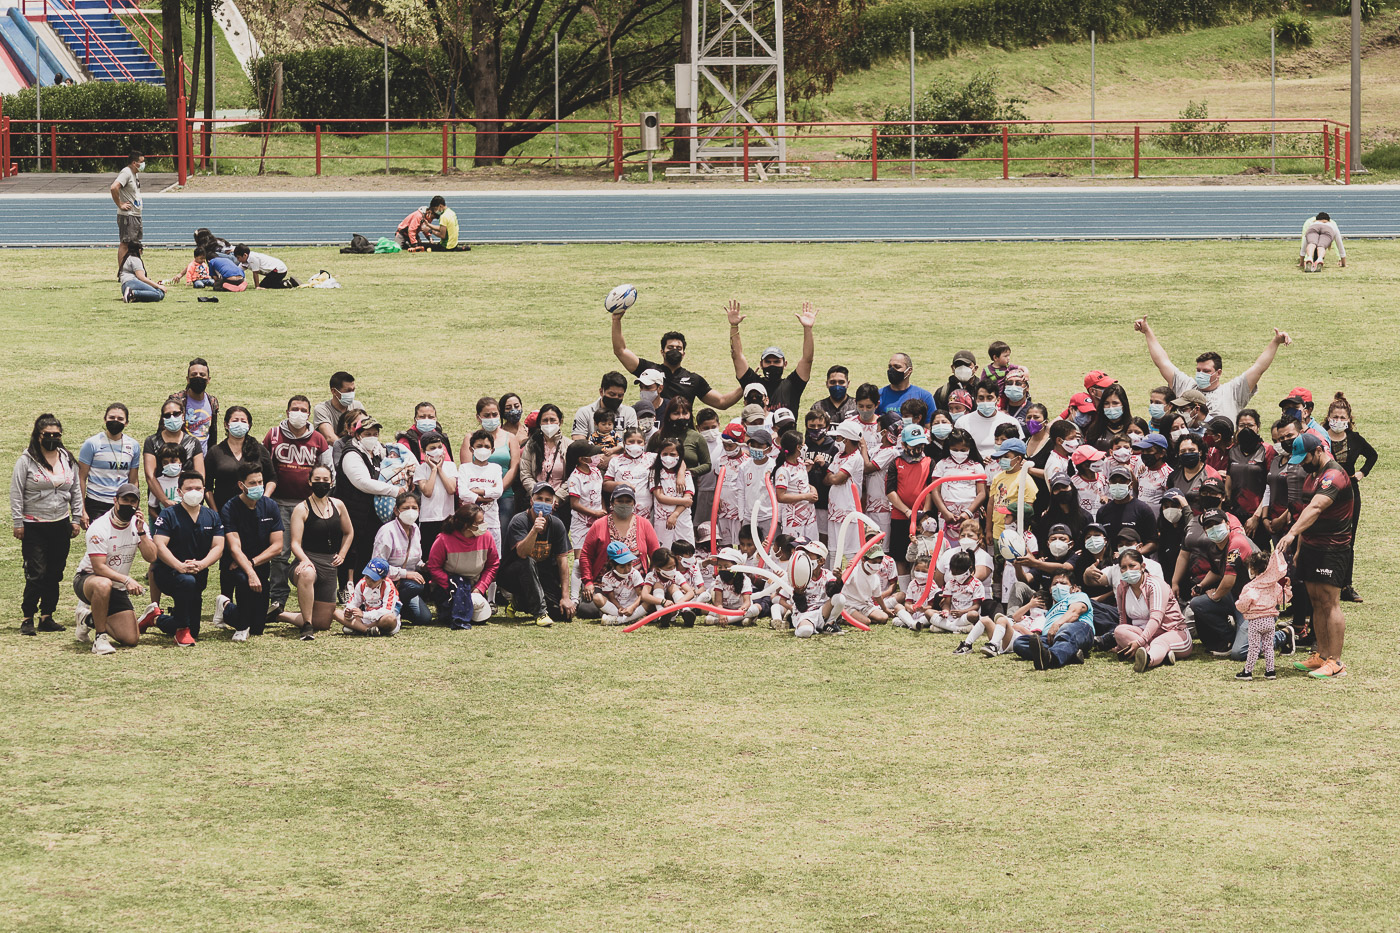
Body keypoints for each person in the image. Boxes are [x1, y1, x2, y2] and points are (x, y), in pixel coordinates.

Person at [1278, 433, 1355, 679]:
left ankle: (1336, 661)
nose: (1302, 463)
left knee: (1329, 602)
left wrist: (1290, 534)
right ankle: (1321, 655)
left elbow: (1316, 508)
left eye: (1305, 458)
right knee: (1315, 601)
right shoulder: (1312, 476)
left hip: (1332, 549)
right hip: (1311, 547)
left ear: (1318, 451)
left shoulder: (1334, 476)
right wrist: (1300, 549)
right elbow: (1305, 515)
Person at [1134, 316, 1292, 422]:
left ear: (1219, 373)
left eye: (1206, 371)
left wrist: (1275, 342)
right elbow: (1162, 361)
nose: (1200, 374)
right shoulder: (1186, 386)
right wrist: (1147, 332)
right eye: (1198, 370)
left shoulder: (1233, 391)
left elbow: (1258, 368)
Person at [10, 415, 83, 636]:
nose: (52, 438)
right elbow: (16, 492)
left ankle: (47, 616)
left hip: (60, 524)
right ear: (38, 435)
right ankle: (27, 617)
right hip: (34, 524)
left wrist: (76, 518)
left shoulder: (66, 458)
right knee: (36, 573)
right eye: (47, 435)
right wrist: (17, 521)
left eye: (56, 435)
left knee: (55, 572)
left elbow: (76, 490)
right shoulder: (27, 460)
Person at [72, 483, 158, 655]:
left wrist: (141, 533)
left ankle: (87, 619)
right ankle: (100, 638)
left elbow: (152, 557)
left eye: (133, 501)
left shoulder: (137, 525)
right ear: (115, 501)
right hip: (88, 579)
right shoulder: (99, 527)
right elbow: (99, 567)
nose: (129, 504)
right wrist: (126, 580)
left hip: (116, 586)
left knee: (131, 639)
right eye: (125, 499)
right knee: (103, 584)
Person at [263, 396, 328, 617]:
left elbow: (329, 470)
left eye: (303, 409)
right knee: (280, 553)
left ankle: (314, 596)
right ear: (287, 410)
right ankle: (278, 599)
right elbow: (264, 467)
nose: (298, 413)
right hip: (280, 503)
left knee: (312, 550)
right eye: (294, 409)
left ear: (309, 414)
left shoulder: (318, 439)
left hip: (309, 505)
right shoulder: (273, 435)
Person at [149, 471, 224, 647]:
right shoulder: (168, 515)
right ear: (179, 491)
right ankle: (181, 631)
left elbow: (218, 546)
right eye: (188, 488)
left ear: (204, 490)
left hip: (198, 574)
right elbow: (160, 545)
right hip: (169, 573)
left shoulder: (212, 516)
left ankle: (156, 620)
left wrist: (202, 564)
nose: (194, 492)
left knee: (194, 629)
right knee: (186, 581)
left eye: (198, 488)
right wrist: (179, 566)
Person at [279, 464, 353, 640]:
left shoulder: (338, 505)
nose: (322, 483)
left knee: (324, 622)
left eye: (325, 480)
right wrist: (305, 560)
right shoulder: (301, 508)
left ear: (331, 482)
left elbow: (349, 532)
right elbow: (295, 543)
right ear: (310, 481)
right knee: (307, 574)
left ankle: (280, 614)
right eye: (317, 480)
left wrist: (342, 554)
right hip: (308, 559)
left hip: (330, 564)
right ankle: (307, 625)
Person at [610, 307, 734, 408]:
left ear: (684, 354)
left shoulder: (694, 380)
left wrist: (746, 381)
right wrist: (616, 320)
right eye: (670, 348)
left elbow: (721, 402)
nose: (674, 350)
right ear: (662, 352)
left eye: (678, 348)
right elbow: (621, 351)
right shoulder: (649, 371)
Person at [216, 463, 285, 642]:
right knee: (244, 582)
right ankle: (239, 624)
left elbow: (277, 546)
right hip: (234, 566)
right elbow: (234, 547)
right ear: (242, 485)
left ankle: (225, 607)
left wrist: (253, 564)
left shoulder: (270, 505)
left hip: (258, 565)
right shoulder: (230, 508)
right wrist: (249, 571)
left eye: (260, 482)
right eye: (252, 483)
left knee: (258, 628)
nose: (258, 487)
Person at [500, 483, 576, 625]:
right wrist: (534, 531)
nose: (543, 503)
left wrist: (565, 596)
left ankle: (520, 602)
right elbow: (522, 553)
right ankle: (540, 613)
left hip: (541, 577)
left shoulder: (557, 525)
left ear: (554, 503)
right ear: (531, 501)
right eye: (539, 498)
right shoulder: (519, 521)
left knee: (562, 614)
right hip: (514, 575)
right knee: (528, 562)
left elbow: (563, 561)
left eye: (548, 500)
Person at [1323, 392, 1373, 602]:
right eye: (1336, 417)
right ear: (1328, 417)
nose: (1339, 421)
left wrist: (1361, 473)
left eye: (1343, 418)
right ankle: (1325, 581)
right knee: (1324, 537)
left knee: (1348, 540)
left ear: (1349, 419)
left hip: (1350, 493)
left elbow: (1373, 455)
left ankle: (1346, 585)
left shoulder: (1354, 439)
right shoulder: (1321, 436)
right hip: (1325, 492)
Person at [725, 299, 817, 413]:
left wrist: (808, 328)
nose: (772, 365)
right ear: (761, 365)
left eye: (776, 361)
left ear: (785, 364)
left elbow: (807, 360)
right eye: (768, 362)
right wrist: (734, 326)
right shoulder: (753, 384)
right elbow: (737, 356)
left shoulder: (793, 385)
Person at [334, 413, 396, 578]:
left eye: (375, 434)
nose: (372, 437)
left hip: (369, 514)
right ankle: (347, 587)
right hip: (352, 513)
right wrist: (394, 490)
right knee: (351, 553)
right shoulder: (351, 454)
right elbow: (363, 482)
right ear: (358, 435)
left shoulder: (377, 451)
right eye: (367, 434)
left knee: (367, 552)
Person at [1111, 547, 1192, 673]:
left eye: (1132, 566)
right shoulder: (1122, 588)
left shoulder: (1155, 585)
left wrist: (1139, 641)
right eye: (1123, 567)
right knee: (1119, 631)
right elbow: (1123, 618)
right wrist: (1120, 644)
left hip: (1172, 631)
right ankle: (1161, 655)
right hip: (1144, 634)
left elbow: (1156, 618)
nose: (1128, 571)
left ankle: (1149, 658)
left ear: (1142, 566)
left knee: (1159, 643)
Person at [579, 484, 660, 598]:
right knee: (588, 609)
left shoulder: (644, 524)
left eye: (628, 501)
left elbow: (657, 555)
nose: (624, 505)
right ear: (612, 503)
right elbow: (586, 555)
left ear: (634, 503)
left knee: (653, 600)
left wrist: (651, 580)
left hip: (637, 584)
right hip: (604, 584)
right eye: (620, 501)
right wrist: (588, 582)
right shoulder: (599, 525)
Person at [427, 504, 499, 629]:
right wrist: (454, 586)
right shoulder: (444, 539)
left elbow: (493, 565)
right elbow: (433, 567)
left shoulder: (486, 537)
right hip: (449, 588)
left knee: (481, 618)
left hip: (474, 587)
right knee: (447, 618)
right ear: (466, 525)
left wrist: (480, 588)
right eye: (479, 522)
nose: (484, 525)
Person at [368, 491, 432, 625]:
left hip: (404, 584)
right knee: (416, 586)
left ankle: (397, 609)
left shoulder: (415, 529)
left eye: (414, 508)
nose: (411, 511)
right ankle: (381, 606)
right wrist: (406, 574)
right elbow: (376, 566)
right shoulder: (387, 531)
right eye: (406, 508)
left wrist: (423, 566)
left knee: (424, 618)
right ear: (396, 511)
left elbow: (415, 559)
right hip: (388, 582)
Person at [460, 397, 521, 534]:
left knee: (502, 535)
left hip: (504, 495)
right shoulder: (470, 438)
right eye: (487, 415)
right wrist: (482, 496)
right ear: (478, 417)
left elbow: (513, 467)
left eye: (495, 414)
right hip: (476, 497)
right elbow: (467, 467)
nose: (491, 418)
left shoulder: (510, 437)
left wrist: (497, 491)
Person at [1010, 571, 1094, 670]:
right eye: (1055, 584)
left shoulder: (1078, 596)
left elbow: (1075, 611)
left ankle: (1051, 658)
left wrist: (1058, 624)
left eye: (1063, 583)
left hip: (1078, 629)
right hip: (1050, 638)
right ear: (1050, 589)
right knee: (1020, 643)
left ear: (1074, 588)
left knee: (1066, 630)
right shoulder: (1049, 610)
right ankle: (1069, 655)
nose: (1058, 586)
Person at [77, 403, 140, 526]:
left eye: (120, 419)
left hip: (123, 502)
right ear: (105, 419)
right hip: (96, 503)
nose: (115, 421)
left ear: (126, 422)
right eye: (111, 418)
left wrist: (135, 505)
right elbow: (81, 478)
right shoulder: (92, 444)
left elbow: (133, 480)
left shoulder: (133, 445)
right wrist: (82, 510)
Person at [1234, 549, 1290, 680]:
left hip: (1255, 621)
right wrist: (1287, 588)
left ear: (1252, 568)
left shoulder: (1251, 587)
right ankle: (1270, 671)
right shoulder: (1273, 585)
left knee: (1253, 648)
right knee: (1268, 647)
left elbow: (1243, 604)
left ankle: (1248, 671)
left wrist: (1240, 606)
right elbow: (1282, 599)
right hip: (1270, 621)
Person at [459, 427, 507, 555]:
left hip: (491, 522)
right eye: (479, 446)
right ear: (471, 449)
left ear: (492, 450)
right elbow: (463, 493)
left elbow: (498, 492)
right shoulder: (465, 468)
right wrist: (483, 497)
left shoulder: (496, 469)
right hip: (469, 524)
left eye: (486, 446)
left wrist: (476, 490)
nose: (483, 449)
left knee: (493, 558)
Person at [412, 430, 457, 564]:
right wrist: (433, 470)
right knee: (429, 555)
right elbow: (427, 491)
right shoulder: (421, 469)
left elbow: (451, 489)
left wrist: (441, 469)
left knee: (448, 555)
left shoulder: (450, 466)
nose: (437, 451)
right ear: (424, 450)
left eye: (439, 447)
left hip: (448, 517)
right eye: (432, 448)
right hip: (428, 518)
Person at [955, 379, 1022, 458]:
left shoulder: (1011, 422)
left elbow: (1019, 450)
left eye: (989, 398)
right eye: (981, 398)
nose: (985, 401)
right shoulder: (963, 422)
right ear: (976, 399)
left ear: (997, 399)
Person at [521, 404, 572, 501]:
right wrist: (537, 496)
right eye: (545, 420)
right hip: (535, 499)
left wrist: (556, 499)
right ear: (539, 423)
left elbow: (572, 477)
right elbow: (525, 473)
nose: (549, 424)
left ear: (560, 422)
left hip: (560, 501)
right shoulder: (531, 444)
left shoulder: (569, 446)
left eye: (552, 420)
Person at [342, 558, 402, 636]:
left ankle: (360, 628)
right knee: (336, 613)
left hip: (381, 618)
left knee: (390, 619)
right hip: (366, 618)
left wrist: (364, 615)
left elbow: (387, 610)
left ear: (383, 578)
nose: (369, 582)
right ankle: (367, 630)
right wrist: (348, 612)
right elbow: (353, 603)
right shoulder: (362, 583)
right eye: (367, 577)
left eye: (374, 580)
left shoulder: (388, 586)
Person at [571, 372, 638, 440]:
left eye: (620, 396)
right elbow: (578, 443)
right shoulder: (585, 413)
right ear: (601, 392)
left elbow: (633, 441)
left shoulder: (629, 413)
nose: (616, 398)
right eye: (612, 394)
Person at [110, 151, 143, 275]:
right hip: (128, 216)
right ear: (134, 163)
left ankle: (135, 270)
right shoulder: (126, 173)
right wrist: (120, 204)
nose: (143, 164)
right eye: (141, 162)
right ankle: (122, 272)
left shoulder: (135, 174)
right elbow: (114, 187)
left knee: (135, 244)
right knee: (125, 243)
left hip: (136, 214)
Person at [879, 352, 936, 421]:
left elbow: (929, 426)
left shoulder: (924, 396)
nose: (892, 370)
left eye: (897, 367)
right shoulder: (879, 395)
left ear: (909, 371)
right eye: (890, 367)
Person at [315, 372, 364, 443]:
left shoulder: (357, 406)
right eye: (348, 390)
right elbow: (330, 437)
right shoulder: (322, 409)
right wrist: (347, 450)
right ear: (334, 391)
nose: (351, 394)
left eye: (353, 390)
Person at [233, 244, 297, 289]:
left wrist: (257, 286)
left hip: (279, 270)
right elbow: (238, 271)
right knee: (267, 283)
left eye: (238, 258)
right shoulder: (244, 261)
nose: (238, 260)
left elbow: (255, 273)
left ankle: (286, 283)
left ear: (245, 255)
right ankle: (285, 282)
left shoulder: (253, 258)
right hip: (273, 271)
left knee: (264, 285)